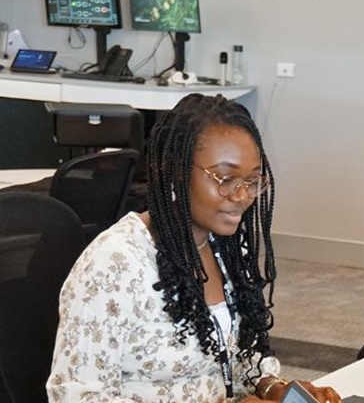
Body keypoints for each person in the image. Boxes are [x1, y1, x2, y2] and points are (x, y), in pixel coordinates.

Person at [47, 94, 341, 403]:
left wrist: (273, 387)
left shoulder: (225, 246)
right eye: (226, 178)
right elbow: (75, 396)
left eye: (253, 180)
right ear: (174, 170)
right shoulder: (115, 264)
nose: (242, 196)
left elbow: (233, 356)